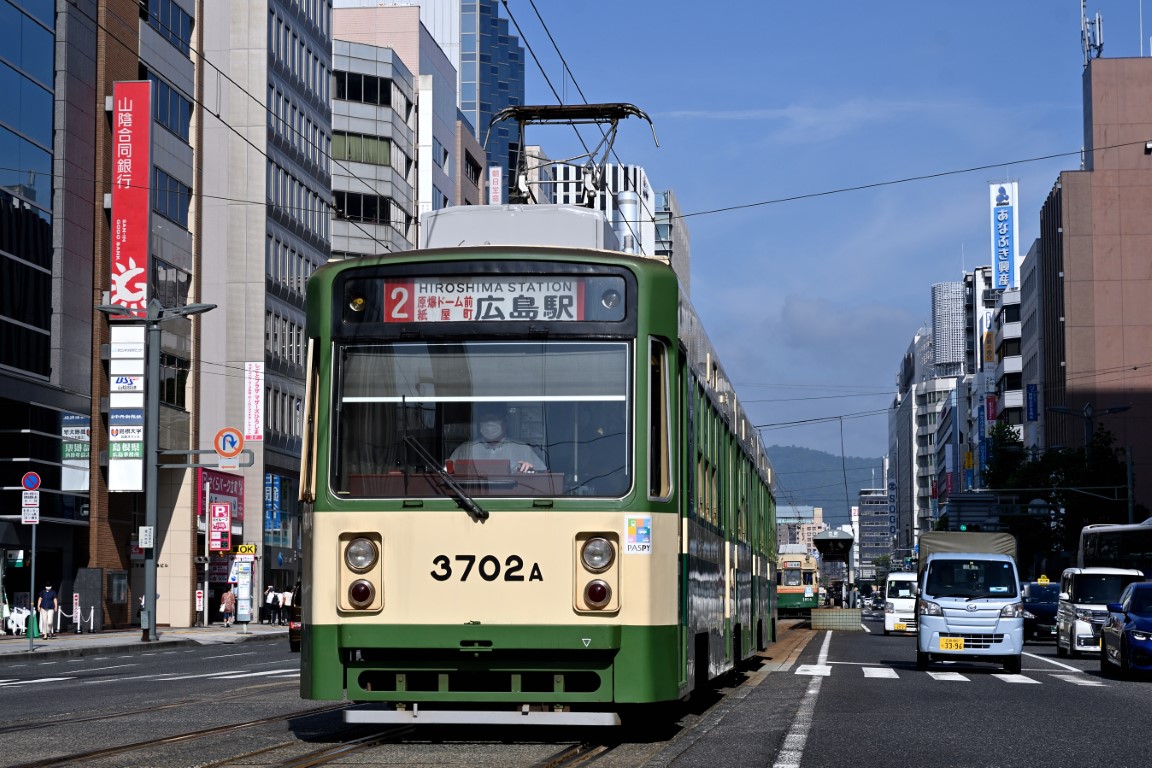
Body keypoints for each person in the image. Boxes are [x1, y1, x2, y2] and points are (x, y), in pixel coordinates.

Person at [450, 406, 546, 474]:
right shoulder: (465, 449)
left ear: (505, 422)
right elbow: (447, 474)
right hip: (472, 499)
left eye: (494, 419)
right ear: (479, 423)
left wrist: (531, 471)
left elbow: (543, 477)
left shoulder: (522, 449)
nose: (489, 424)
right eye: (485, 420)